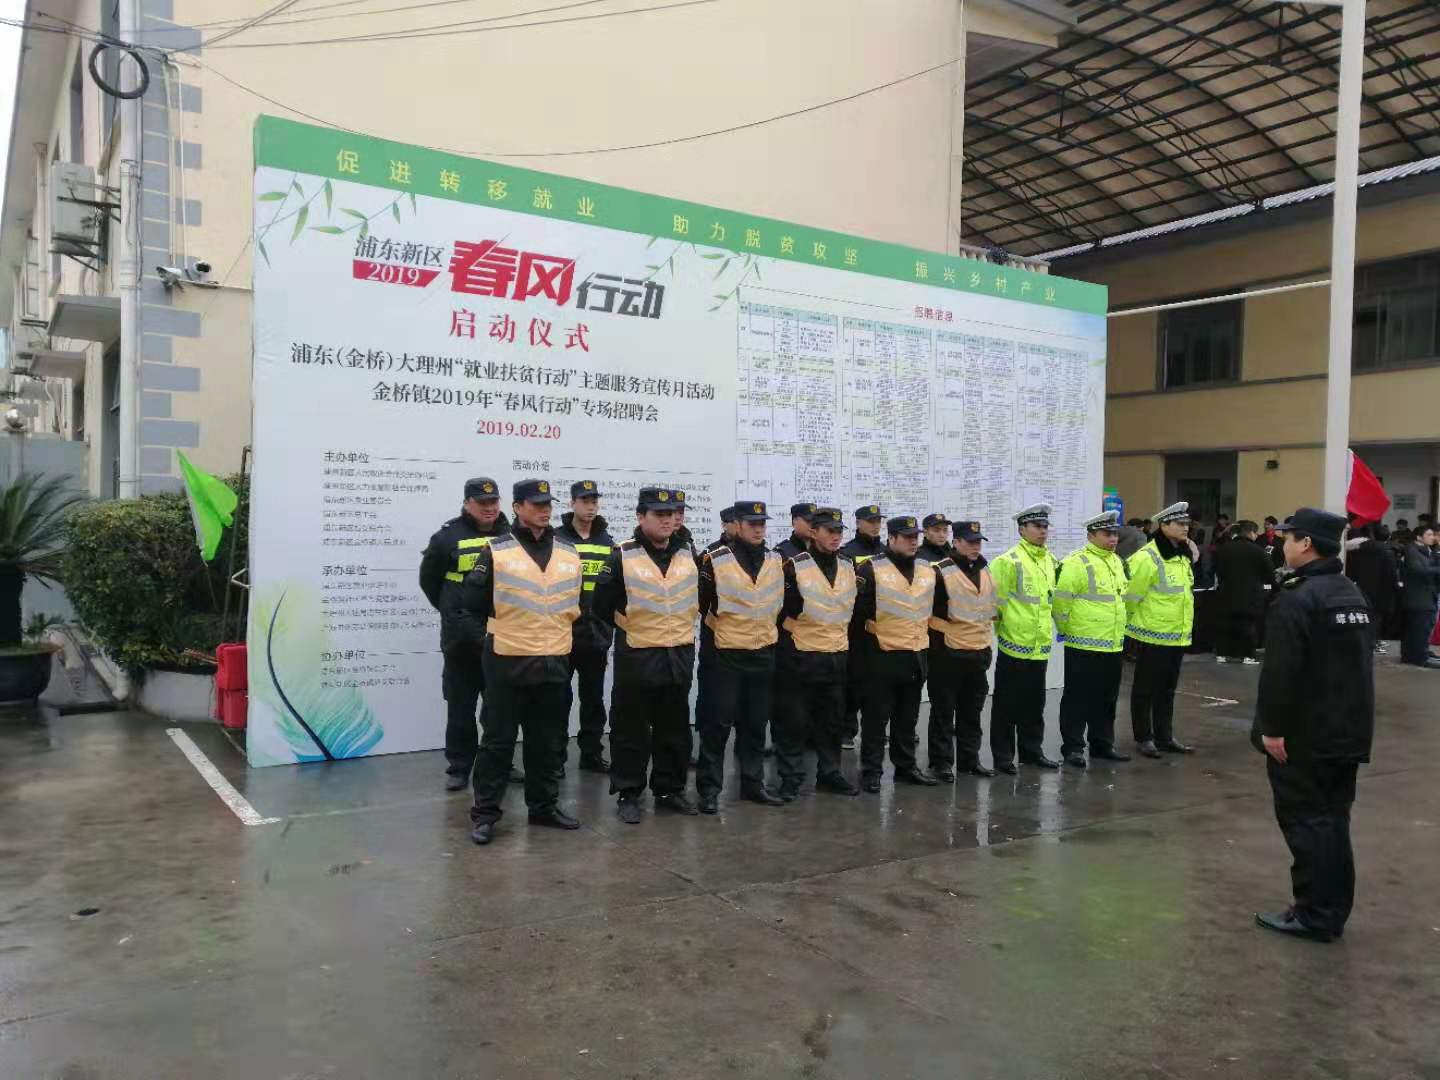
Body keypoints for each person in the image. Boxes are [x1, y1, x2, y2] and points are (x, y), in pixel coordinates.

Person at [1253, 508, 1375, 942]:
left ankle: (1315, 914)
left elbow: (1281, 672)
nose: (1283, 545)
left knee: (1307, 824)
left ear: (1305, 544)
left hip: (1306, 735)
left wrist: (1272, 729)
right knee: (1333, 822)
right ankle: (1331, 910)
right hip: (1347, 730)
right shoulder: (1349, 592)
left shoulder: (1299, 597)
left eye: (1288, 538)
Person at [464, 479, 583, 846]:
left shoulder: (568, 552)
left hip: (553, 662)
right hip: (508, 663)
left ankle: (543, 807)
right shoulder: (496, 551)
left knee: (545, 742)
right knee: (498, 744)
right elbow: (472, 604)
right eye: (536, 504)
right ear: (517, 508)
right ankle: (486, 814)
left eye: (547, 504)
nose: (544, 510)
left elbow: (577, 605)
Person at [591, 486, 700, 824]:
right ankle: (629, 792)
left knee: (674, 729)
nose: (667, 520)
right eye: (659, 514)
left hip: (677, 655)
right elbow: (601, 606)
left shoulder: (687, 552)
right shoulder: (622, 555)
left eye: (671, 514)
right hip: (638, 657)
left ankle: (669, 789)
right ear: (641, 517)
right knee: (631, 730)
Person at [418, 476, 511, 792]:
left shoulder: (510, 536)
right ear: (467, 503)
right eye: (482, 503)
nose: (489, 508)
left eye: (493, 502)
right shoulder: (447, 537)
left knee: (499, 709)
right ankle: (459, 767)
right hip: (460, 640)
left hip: (501, 634)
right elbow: (430, 582)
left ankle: (500, 763)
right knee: (461, 707)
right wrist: (452, 611)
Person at [696, 500, 785, 811]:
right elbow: (701, 606)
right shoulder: (715, 560)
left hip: (763, 652)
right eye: (752, 524)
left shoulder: (775, 560)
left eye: (762, 524)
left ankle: (752, 784)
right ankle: (709, 789)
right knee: (717, 725)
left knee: (756, 724)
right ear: (737, 525)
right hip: (726, 655)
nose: (758, 529)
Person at [774, 507, 860, 799]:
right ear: (813, 532)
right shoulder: (793, 566)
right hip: (801, 655)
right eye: (829, 531)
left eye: (839, 531)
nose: (836, 537)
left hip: (836, 655)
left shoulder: (848, 565)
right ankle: (790, 777)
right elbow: (780, 613)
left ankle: (830, 773)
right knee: (793, 721)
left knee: (832, 722)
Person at [851, 516, 938, 792]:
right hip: (881, 657)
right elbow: (857, 617)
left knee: (907, 718)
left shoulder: (926, 569)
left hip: (915, 655)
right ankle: (871, 771)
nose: (914, 542)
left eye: (916, 537)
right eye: (907, 537)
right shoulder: (871, 570)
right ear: (891, 539)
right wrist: (862, 662)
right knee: (876, 720)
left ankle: (906, 767)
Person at [1053, 510, 1131, 768]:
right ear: (1091, 535)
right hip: (1083, 643)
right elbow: (1061, 603)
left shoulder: (1117, 562)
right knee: (1078, 698)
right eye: (1107, 534)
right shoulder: (1076, 562)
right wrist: (1067, 630)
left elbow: (1122, 599)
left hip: (1113, 643)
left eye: (1115, 533)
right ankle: (1073, 747)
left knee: (1107, 699)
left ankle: (1102, 744)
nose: (1113, 538)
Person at [990, 502, 1062, 774]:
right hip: (1015, 644)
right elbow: (995, 606)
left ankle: (1032, 752)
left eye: (1045, 526)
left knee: (1034, 704)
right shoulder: (1007, 562)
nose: (1043, 531)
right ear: (1022, 529)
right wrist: (1006, 633)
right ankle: (1003, 757)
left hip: (1039, 645)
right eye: (1037, 526)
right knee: (1007, 705)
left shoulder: (1050, 560)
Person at [926, 519, 998, 780]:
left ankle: (970, 760)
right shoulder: (940, 572)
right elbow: (929, 615)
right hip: (948, 653)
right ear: (955, 542)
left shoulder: (985, 570)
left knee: (972, 712)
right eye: (970, 542)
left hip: (978, 652)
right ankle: (942, 762)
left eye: (978, 542)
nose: (975, 546)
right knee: (943, 712)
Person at [1125, 502, 1197, 758]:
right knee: (1145, 690)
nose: (1185, 528)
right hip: (1152, 634)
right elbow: (1130, 597)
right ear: (1164, 526)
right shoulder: (1148, 557)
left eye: (1187, 524)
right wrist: (1130, 628)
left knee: (1167, 690)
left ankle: (1165, 736)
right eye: (1180, 523)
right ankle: (1144, 737)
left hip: (1177, 635)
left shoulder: (1181, 554)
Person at [555, 480, 616, 774]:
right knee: (559, 700)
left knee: (593, 699)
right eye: (584, 501)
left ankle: (591, 754)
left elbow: (615, 588)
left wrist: (606, 627)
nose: (590, 507)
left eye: (594, 501)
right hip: (563, 635)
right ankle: (555, 758)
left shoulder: (607, 542)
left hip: (595, 636)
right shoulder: (557, 540)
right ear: (572, 504)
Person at [839, 505, 886, 749]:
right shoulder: (847, 552)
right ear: (858, 523)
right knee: (854, 680)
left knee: (879, 684)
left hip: (882, 628)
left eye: (878, 521)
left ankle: (876, 730)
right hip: (856, 629)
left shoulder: (886, 552)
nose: (875, 525)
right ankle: (847, 730)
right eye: (870, 521)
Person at [1213, 520, 1273, 665]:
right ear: (1251, 533)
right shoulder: (1258, 550)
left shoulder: (1224, 549)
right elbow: (1269, 572)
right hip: (1249, 595)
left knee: (1226, 625)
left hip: (1226, 593)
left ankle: (1222, 654)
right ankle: (1248, 656)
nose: (1256, 535)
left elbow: (1217, 570)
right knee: (1247, 625)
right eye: (1255, 532)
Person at [1345, 522, 1398, 655]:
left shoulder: (1351, 549)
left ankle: (1361, 642)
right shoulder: (1386, 550)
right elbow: (1391, 575)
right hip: (1380, 590)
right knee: (1375, 618)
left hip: (1359, 588)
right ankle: (1372, 643)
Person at [1399, 524, 1440, 667]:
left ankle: (1416, 653)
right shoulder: (1411, 550)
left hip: (1426, 595)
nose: (1432, 537)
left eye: (1433, 535)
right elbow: (1419, 569)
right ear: (1418, 537)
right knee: (1419, 628)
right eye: (1429, 535)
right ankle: (1419, 657)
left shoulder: (1427, 550)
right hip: (1418, 596)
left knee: (1421, 627)